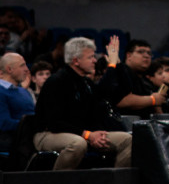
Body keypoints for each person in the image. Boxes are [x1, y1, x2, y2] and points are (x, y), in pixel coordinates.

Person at [33, 37, 132, 170]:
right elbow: (54, 122)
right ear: (76, 61)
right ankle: (58, 182)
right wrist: (88, 135)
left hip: (81, 133)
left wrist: (116, 64)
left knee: (127, 139)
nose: (95, 60)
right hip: (48, 134)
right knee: (77, 144)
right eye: (90, 57)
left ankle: (116, 181)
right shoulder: (57, 81)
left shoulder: (85, 83)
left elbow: (111, 93)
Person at [0, 53, 35, 154]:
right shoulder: (1, 92)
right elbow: (4, 124)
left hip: (30, 137)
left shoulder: (24, 91)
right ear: (9, 69)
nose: (27, 69)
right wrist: (33, 125)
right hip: (13, 141)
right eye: (22, 65)